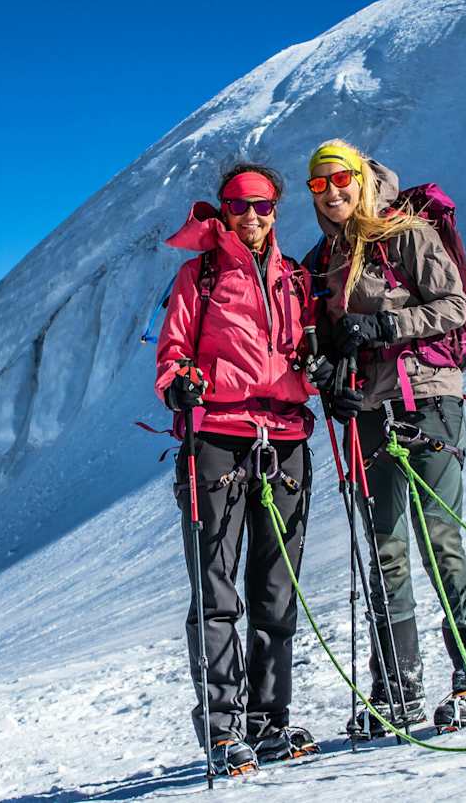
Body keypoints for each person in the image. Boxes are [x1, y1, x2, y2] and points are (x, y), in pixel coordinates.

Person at [302, 139, 466, 738]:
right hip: (370, 410)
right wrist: (328, 377)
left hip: (427, 400)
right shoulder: (324, 259)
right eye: (319, 185)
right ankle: (399, 688)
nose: (332, 192)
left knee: (439, 542)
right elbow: (329, 341)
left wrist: (386, 323)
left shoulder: (408, 232)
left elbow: (454, 306)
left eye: (340, 180)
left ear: (362, 179)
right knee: (386, 551)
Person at [154, 163, 321, 775]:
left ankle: (269, 722)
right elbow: (172, 353)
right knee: (218, 590)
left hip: (285, 438)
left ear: (277, 209)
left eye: (264, 205)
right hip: (217, 440)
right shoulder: (196, 277)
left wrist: (320, 369)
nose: (252, 216)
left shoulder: (295, 278)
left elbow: (306, 349)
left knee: (276, 592)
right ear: (222, 209)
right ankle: (223, 730)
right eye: (239, 205)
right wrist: (178, 385)